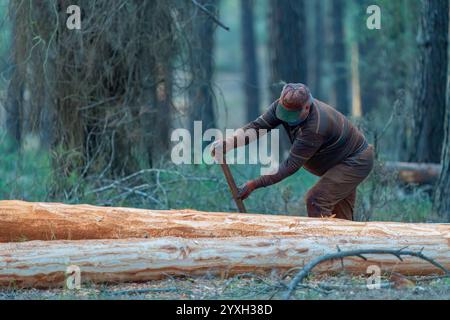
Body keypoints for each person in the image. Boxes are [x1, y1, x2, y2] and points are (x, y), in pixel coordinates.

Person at [211, 83, 374, 221]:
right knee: (341, 221)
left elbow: (290, 166)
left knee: (316, 201)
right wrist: (227, 143)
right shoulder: (282, 106)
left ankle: (323, 250)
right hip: (337, 161)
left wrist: (254, 184)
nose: (286, 119)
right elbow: (256, 128)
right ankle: (343, 254)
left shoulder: (315, 127)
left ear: (307, 107)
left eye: (292, 115)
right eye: (284, 113)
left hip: (354, 161)